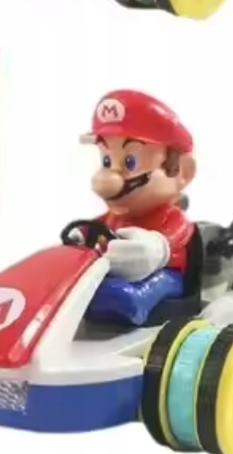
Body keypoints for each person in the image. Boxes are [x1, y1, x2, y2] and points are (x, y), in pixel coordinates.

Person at [80, 89, 197, 325]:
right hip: (112, 273)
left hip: (164, 275)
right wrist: (80, 236)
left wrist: (153, 248)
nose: (110, 175)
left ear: (182, 172)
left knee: (146, 286)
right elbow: (94, 228)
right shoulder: (114, 217)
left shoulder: (171, 218)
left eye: (130, 162)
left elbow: (170, 240)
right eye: (106, 161)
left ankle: (136, 302)